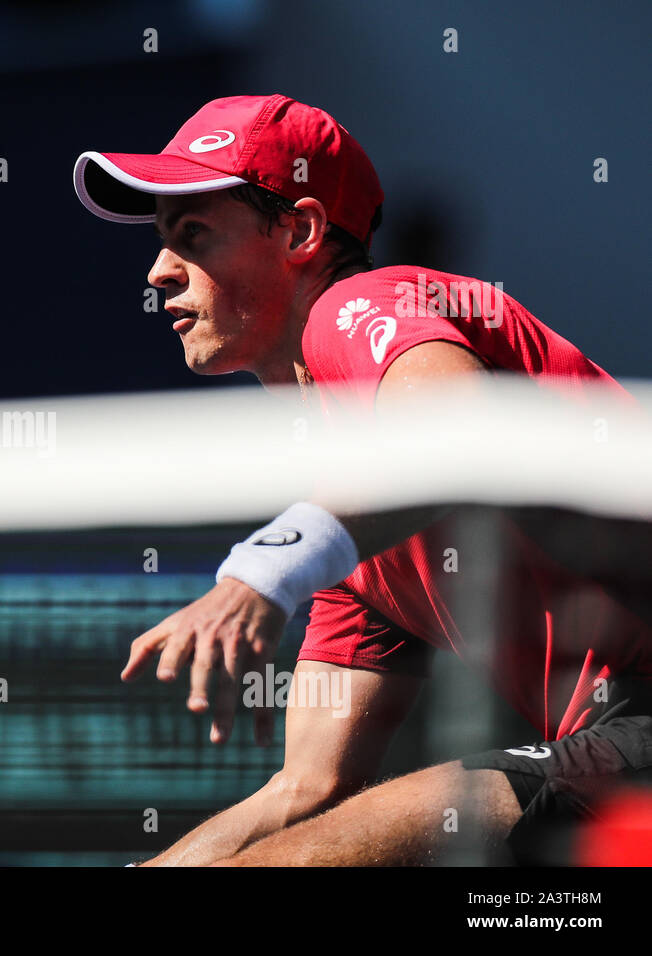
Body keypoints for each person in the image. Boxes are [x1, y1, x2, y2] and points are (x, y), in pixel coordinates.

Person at [72, 93, 652, 865]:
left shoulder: (359, 302)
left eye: (194, 235)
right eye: (162, 241)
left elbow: (451, 432)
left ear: (302, 232)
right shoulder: (352, 523)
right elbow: (304, 789)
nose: (157, 272)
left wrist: (261, 571)